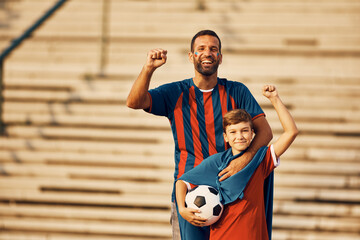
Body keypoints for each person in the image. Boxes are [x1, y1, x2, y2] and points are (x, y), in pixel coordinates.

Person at [126, 30, 273, 239]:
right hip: (189, 193)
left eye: (213, 49)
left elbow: (265, 132)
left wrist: (244, 160)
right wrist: (149, 68)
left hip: (229, 192)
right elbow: (134, 102)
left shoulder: (237, 91)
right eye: (201, 49)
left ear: (220, 58)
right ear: (191, 56)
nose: (207, 53)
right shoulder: (175, 92)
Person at [176, 85, 299, 240]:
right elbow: (182, 182)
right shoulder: (216, 162)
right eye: (233, 132)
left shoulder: (261, 159)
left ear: (252, 133)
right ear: (226, 137)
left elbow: (291, 132)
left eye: (244, 130)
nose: (239, 136)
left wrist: (275, 99)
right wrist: (181, 208)